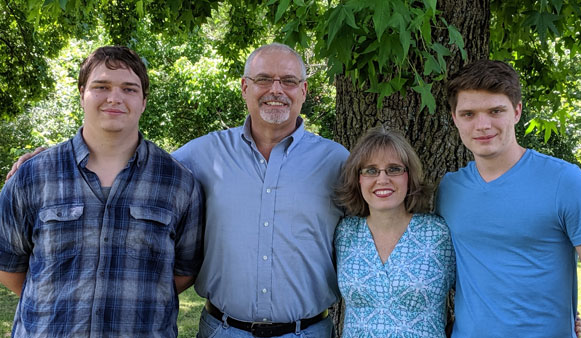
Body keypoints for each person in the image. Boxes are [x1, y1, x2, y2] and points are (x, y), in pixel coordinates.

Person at [0, 46, 203, 337]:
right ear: (82, 93)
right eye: (101, 86)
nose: (114, 97)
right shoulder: (33, 176)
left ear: (144, 102)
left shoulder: (179, 181)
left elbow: (183, 272)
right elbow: (8, 266)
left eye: (129, 89)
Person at [170, 43, 349, 337]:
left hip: (309, 332)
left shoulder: (337, 161)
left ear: (303, 91)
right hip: (224, 330)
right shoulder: (202, 154)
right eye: (263, 79)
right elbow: (144, 178)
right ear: (244, 87)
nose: (276, 90)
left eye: (289, 81)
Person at [436, 59, 581, 337]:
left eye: (495, 111)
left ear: (517, 111)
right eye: (468, 114)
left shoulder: (565, 182)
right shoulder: (449, 190)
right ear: (454, 118)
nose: (482, 125)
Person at [335, 127, 455, 337]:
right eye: (371, 170)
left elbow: (474, 296)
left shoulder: (438, 234)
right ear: (359, 179)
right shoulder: (345, 233)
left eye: (394, 169)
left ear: (409, 176)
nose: (382, 179)